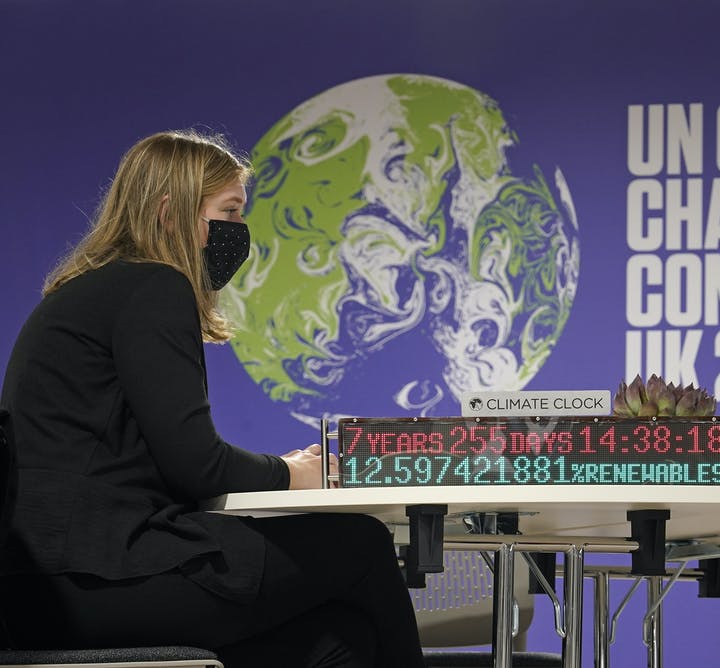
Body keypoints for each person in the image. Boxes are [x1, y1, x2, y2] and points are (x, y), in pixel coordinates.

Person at [0, 130, 425, 668]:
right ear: (170, 213)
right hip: (100, 575)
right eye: (229, 211)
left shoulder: (87, 292)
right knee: (360, 545)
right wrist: (291, 473)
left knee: (338, 641)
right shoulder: (153, 286)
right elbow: (195, 466)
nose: (240, 231)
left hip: (38, 592)